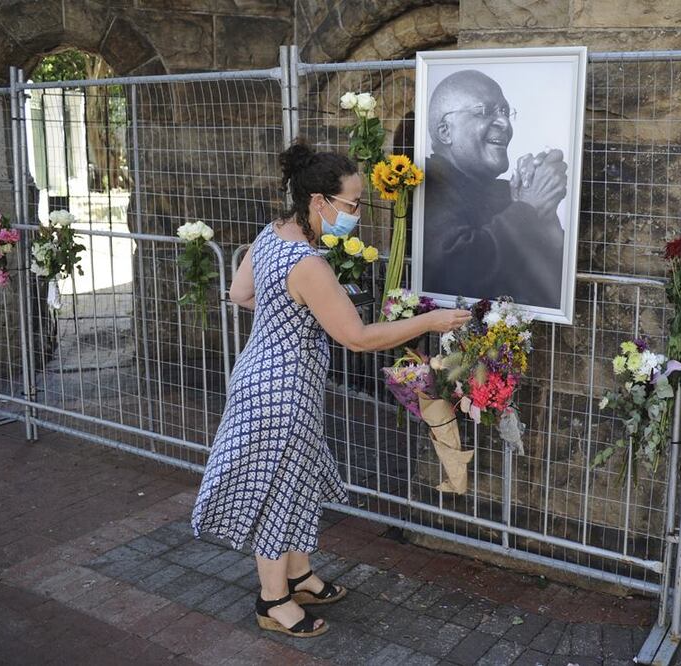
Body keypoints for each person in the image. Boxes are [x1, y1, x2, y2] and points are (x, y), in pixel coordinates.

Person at [191, 140, 471, 638]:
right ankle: (272, 600)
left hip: (259, 379)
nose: (357, 213)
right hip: (282, 393)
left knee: (297, 479)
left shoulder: (272, 234)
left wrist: (292, 315)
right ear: (319, 201)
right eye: (353, 204)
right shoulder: (309, 265)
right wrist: (431, 319)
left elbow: (240, 294)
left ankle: (298, 575)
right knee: (278, 489)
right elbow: (358, 338)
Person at [422, 69, 568, 309]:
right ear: (445, 131)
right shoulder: (429, 184)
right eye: (485, 112)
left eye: (506, 112)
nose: (505, 123)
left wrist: (546, 209)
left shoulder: (504, 192)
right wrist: (528, 208)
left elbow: (548, 282)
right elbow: (454, 270)